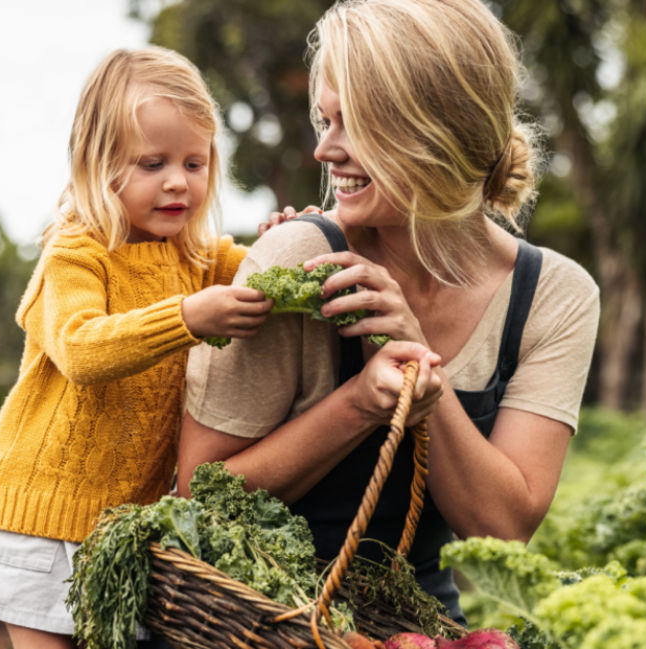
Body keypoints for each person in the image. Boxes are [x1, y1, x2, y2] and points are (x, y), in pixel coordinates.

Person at [178, 0, 600, 624]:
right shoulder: (298, 258)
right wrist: (357, 405)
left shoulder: (554, 296)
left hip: (413, 626)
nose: (325, 151)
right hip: (250, 623)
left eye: (352, 125)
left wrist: (417, 365)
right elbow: (196, 496)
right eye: (324, 121)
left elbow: (503, 530)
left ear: (432, 129)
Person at [0, 47, 272, 649]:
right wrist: (186, 316)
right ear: (99, 166)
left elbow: (267, 269)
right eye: (153, 163)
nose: (179, 181)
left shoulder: (200, 258)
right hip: (40, 525)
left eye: (194, 162)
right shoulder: (75, 253)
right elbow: (81, 350)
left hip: (121, 537)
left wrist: (294, 232)